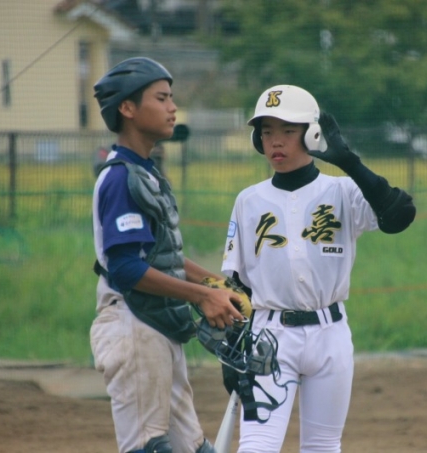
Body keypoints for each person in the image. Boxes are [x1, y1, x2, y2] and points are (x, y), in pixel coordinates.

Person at [220, 85, 416, 452]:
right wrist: (232, 349)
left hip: (331, 335)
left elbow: (400, 215)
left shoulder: (343, 191)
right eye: (267, 132)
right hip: (269, 337)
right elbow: (236, 284)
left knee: (323, 446)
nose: (276, 141)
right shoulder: (249, 200)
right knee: (257, 446)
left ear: (311, 134)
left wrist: (351, 164)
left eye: (287, 130)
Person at [90, 56, 243, 453]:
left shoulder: (146, 173)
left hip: (155, 325)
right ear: (128, 108)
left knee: (194, 448)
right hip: (132, 324)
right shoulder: (121, 177)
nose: (173, 107)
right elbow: (126, 268)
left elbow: (162, 257)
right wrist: (202, 296)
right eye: (162, 98)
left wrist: (216, 285)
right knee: (148, 447)